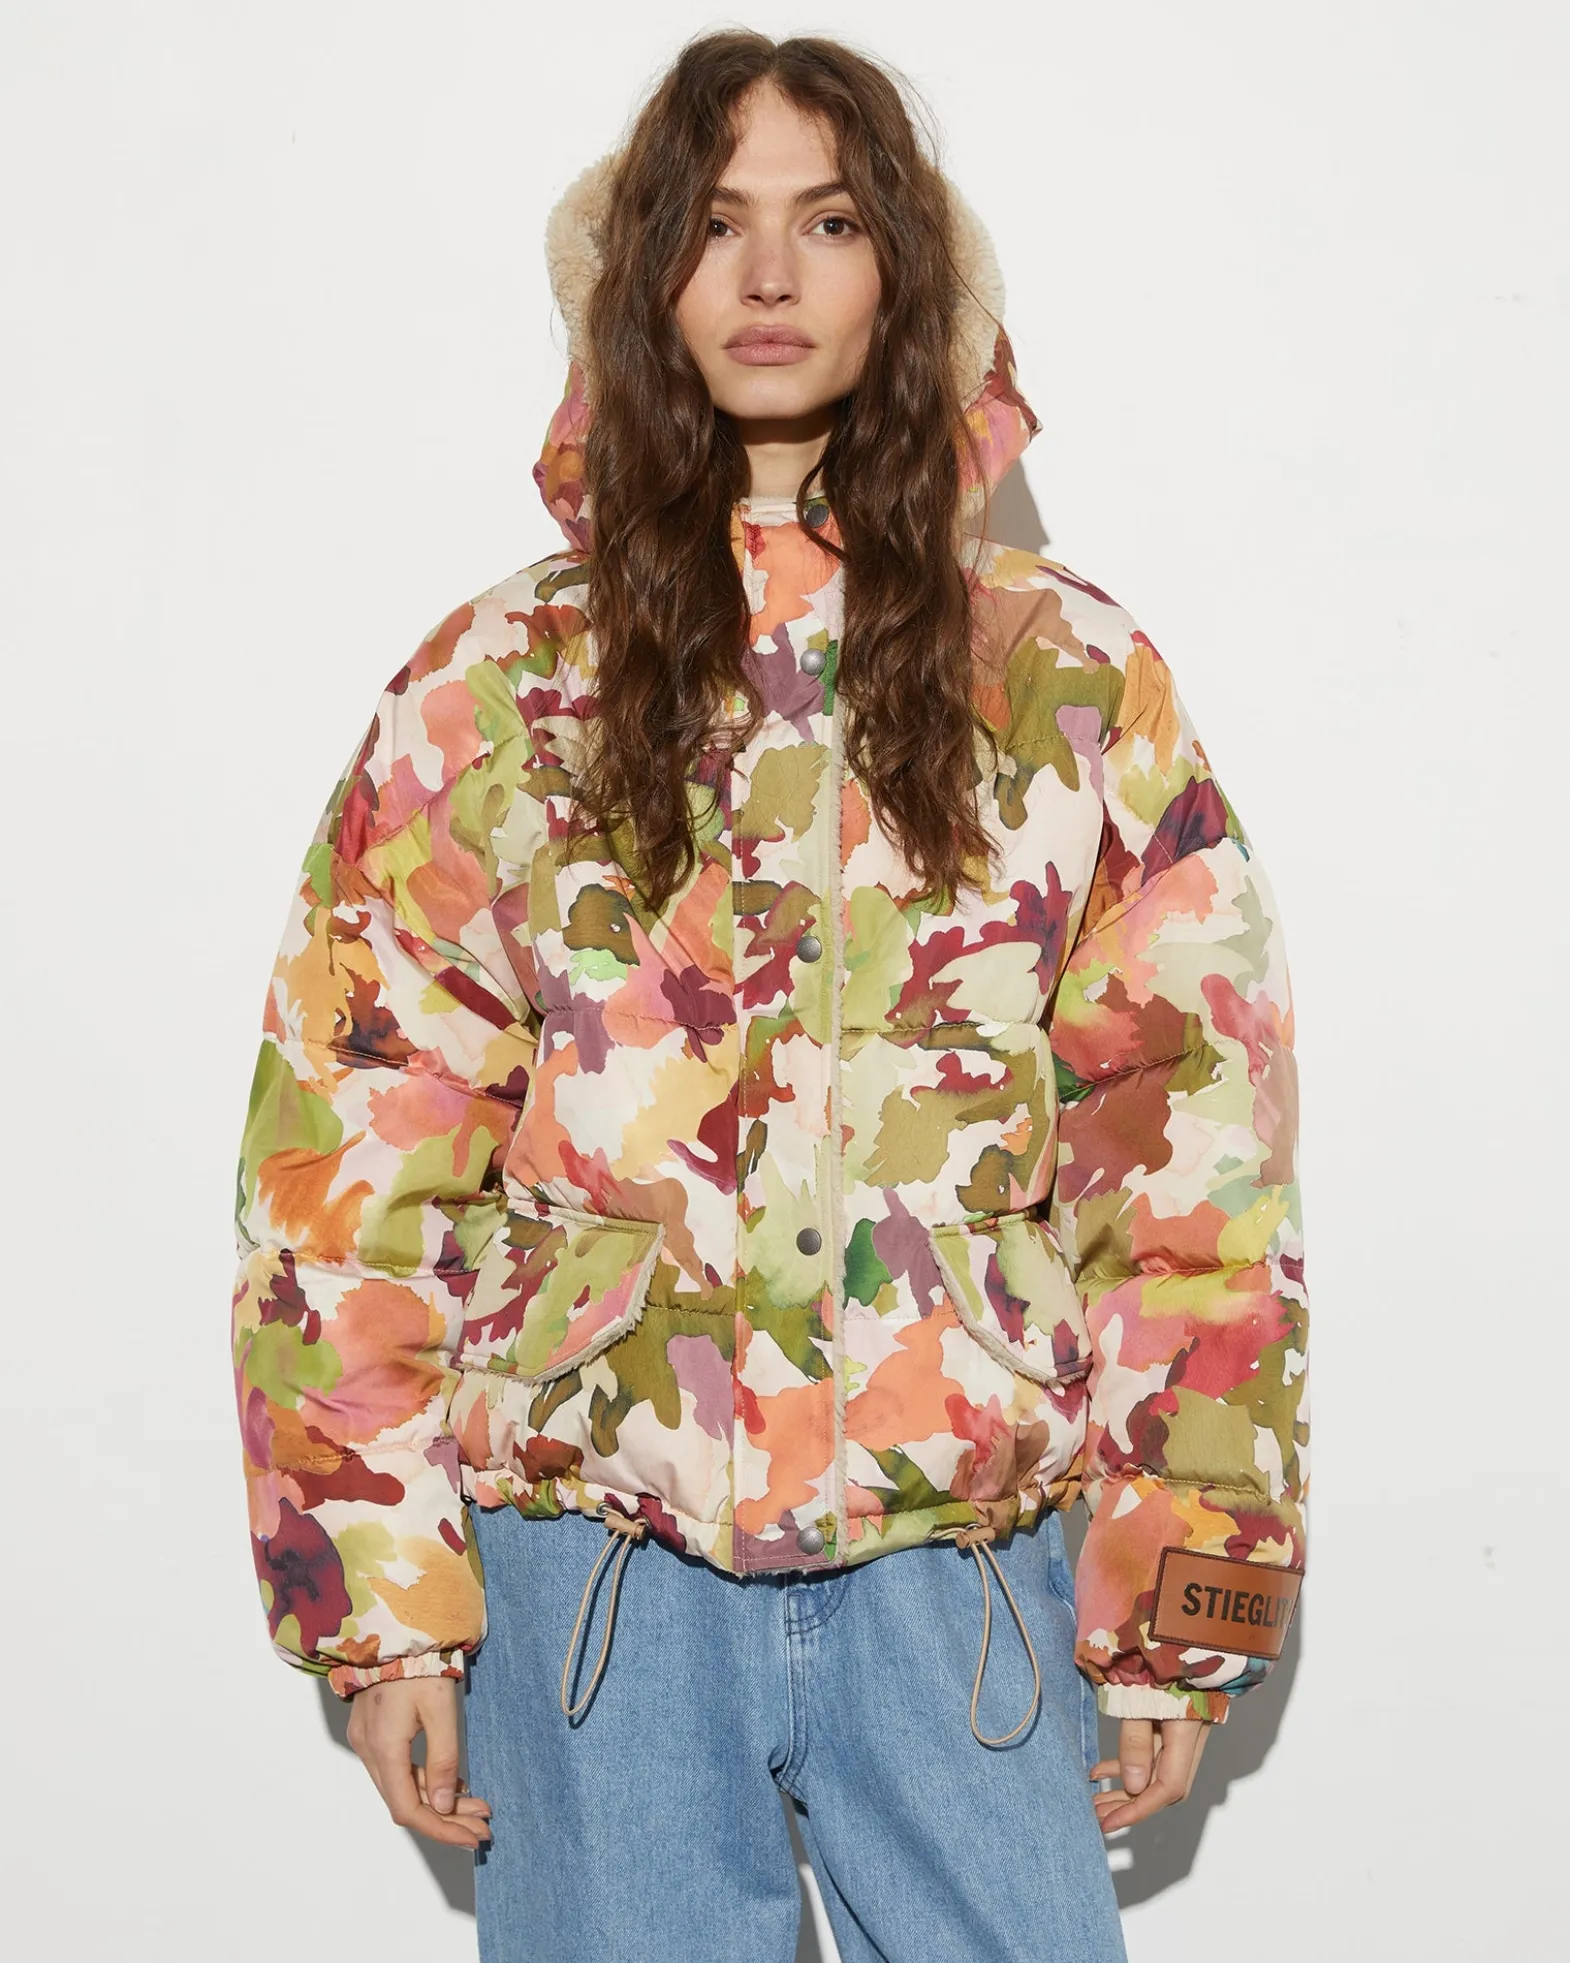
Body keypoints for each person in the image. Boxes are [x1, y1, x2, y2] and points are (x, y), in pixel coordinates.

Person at [230, 27, 1309, 1963]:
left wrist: (1181, 1600)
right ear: (643, 273)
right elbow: (353, 1148)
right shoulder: (496, 689)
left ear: (906, 273)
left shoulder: (1060, 682)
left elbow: (1190, 1161)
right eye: (714, 223)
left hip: (958, 1582)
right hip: (599, 1597)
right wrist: (379, 1604)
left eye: (826, 221)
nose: (766, 274)